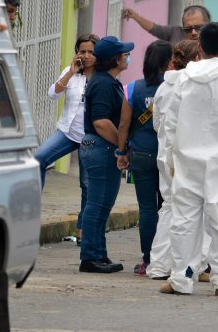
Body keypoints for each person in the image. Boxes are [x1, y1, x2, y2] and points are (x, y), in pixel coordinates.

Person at [160, 23, 218, 297]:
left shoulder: (185, 79)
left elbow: (171, 123)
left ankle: (180, 279)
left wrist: (170, 159)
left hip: (188, 160)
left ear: (199, 47)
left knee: (184, 221)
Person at [35, 33, 99, 246]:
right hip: (66, 132)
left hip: (89, 137)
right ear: (77, 53)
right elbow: (53, 94)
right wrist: (71, 72)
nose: (87, 55)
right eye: (83, 51)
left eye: (91, 51)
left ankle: (82, 230)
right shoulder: (71, 72)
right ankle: (31, 215)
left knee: (87, 184)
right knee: (39, 159)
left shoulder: (102, 77)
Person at [116, 40, 173, 276]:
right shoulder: (174, 87)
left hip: (140, 154)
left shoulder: (132, 89)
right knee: (168, 207)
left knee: (147, 209)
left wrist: (122, 152)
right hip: (167, 156)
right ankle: (167, 259)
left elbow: (123, 125)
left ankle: (148, 260)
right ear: (169, 61)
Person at [78, 36, 134, 274]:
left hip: (101, 147)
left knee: (102, 204)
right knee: (97, 203)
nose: (127, 56)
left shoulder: (107, 81)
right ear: (115, 58)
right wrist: (122, 146)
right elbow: (101, 122)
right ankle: (90, 256)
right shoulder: (102, 84)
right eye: (124, 53)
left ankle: (99, 254)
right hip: (100, 146)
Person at [146, 40, 201, 280]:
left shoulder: (163, 87)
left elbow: (157, 123)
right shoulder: (194, 85)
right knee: (191, 211)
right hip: (187, 155)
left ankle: (158, 264)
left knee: (168, 207)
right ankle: (188, 266)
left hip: (164, 154)